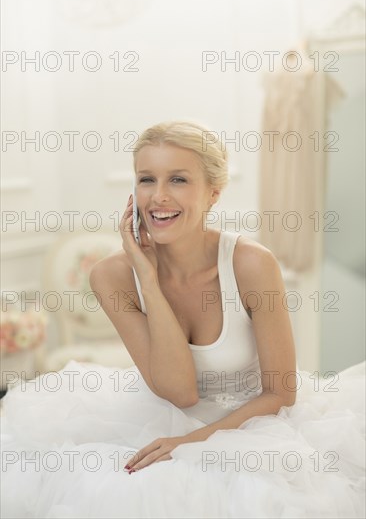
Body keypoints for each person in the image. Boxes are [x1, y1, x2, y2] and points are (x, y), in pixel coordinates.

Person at [1, 121, 364, 519]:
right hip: (158, 415)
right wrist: (149, 281)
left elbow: (280, 394)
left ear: (213, 193)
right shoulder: (113, 276)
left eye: (178, 179)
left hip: (256, 425)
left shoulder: (251, 265)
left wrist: (193, 442)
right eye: (146, 179)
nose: (158, 197)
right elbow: (181, 393)